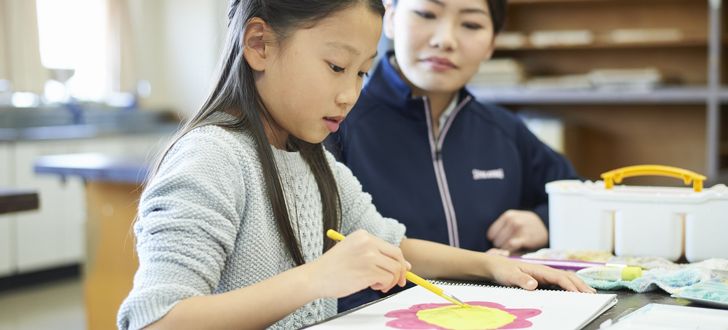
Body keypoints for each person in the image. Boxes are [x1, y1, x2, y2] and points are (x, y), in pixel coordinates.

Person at [117, 1, 593, 329]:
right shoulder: (212, 157)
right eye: (336, 67)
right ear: (260, 45)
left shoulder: (312, 158)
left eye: (363, 72)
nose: (351, 94)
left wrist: (490, 267)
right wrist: (317, 277)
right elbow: (157, 319)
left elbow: (390, 243)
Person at [327, 0, 579, 311]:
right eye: (426, 14)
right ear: (389, 20)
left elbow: (581, 196)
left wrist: (544, 220)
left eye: (471, 24)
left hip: (495, 316)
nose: (445, 39)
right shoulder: (334, 122)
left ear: (491, 44)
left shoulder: (504, 130)